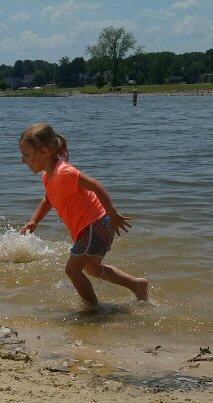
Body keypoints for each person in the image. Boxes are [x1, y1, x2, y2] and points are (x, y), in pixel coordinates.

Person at [19, 123, 149, 305]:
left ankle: (93, 310)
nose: (23, 160)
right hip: (91, 227)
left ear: (45, 151)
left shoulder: (64, 172)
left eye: (26, 155)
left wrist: (113, 215)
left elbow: (96, 185)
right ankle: (136, 285)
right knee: (93, 270)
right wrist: (34, 221)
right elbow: (48, 199)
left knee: (72, 270)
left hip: (94, 225)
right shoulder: (48, 176)